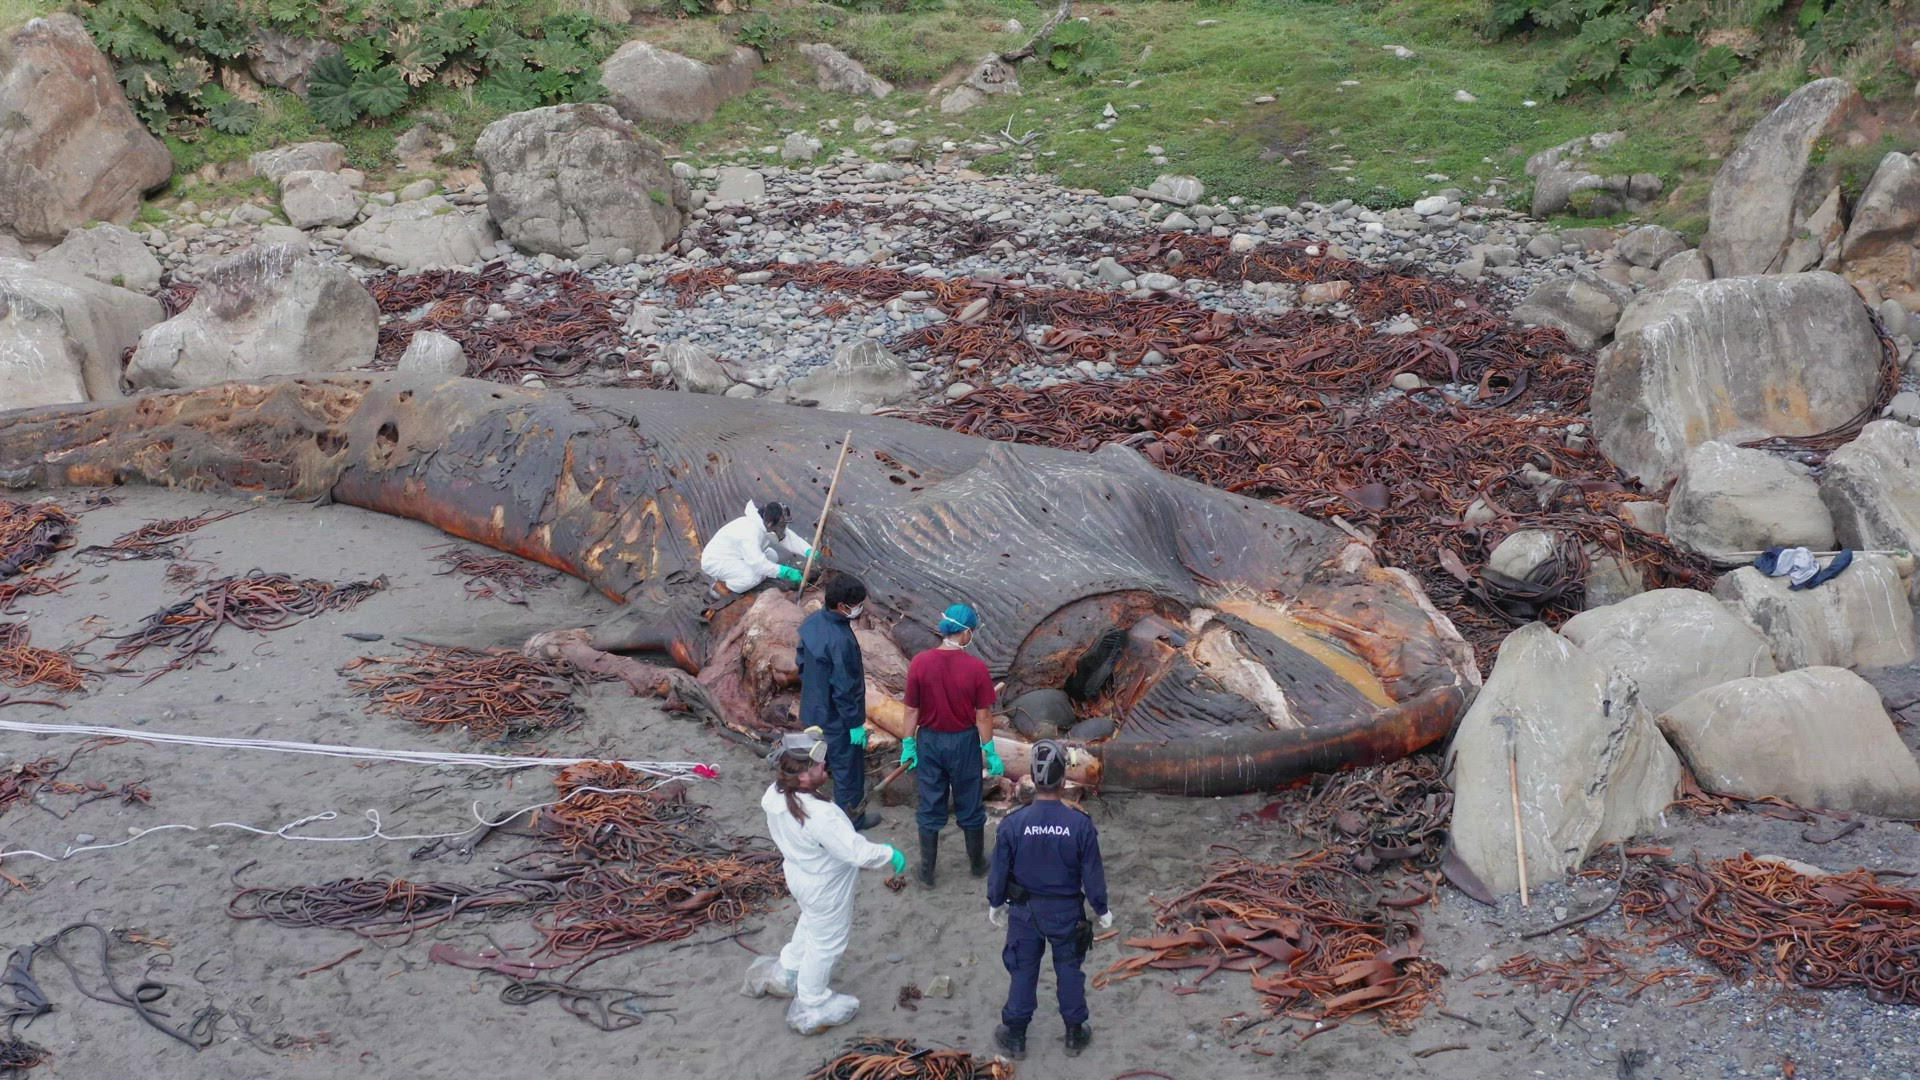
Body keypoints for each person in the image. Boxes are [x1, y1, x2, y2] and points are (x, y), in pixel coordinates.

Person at [742, 729, 908, 1035]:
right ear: (803, 775)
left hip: (799, 875)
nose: (824, 767)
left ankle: (789, 969)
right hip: (826, 886)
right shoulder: (819, 814)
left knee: (810, 922)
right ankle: (812, 1000)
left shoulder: (775, 794)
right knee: (827, 943)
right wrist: (888, 853)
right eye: (818, 765)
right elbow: (854, 851)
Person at [987, 739, 1112, 1060]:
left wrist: (995, 902)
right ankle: (1074, 1033)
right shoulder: (1079, 824)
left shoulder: (1013, 823)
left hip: (1024, 911)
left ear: (1033, 776)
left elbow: (999, 870)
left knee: (1023, 970)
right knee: (1069, 970)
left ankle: (1016, 1035)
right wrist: (1101, 908)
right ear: (1063, 779)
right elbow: (1092, 874)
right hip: (1066, 911)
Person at [899, 603, 1004, 888]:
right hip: (963, 742)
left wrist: (908, 742)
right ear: (966, 632)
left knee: (930, 801)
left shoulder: (920, 662)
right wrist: (990, 750)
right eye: (973, 630)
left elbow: (911, 709)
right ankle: (977, 864)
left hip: (930, 741)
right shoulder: (976, 668)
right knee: (969, 800)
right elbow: (983, 716)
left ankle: (927, 872)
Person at [796, 575, 877, 828]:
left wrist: (814, 687)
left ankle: (809, 808)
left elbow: (800, 661)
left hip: (812, 708)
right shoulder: (841, 640)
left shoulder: (812, 621)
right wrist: (854, 723)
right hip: (836, 718)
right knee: (848, 770)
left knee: (818, 760)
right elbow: (845, 688)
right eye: (857, 605)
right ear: (842, 606)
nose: (860, 608)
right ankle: (851, 820)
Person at [699, 500, 821, 622]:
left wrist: (809, 551)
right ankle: (726, 586)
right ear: (770, 524)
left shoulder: (765, 523)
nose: (784, 528)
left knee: (772, 556)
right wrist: (786, 572)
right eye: (782, 525)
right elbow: (758, 564)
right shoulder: (749, 534)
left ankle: (747, 575)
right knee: (752, 578)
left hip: (739, 556)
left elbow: (786, 536)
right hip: (717, 561)